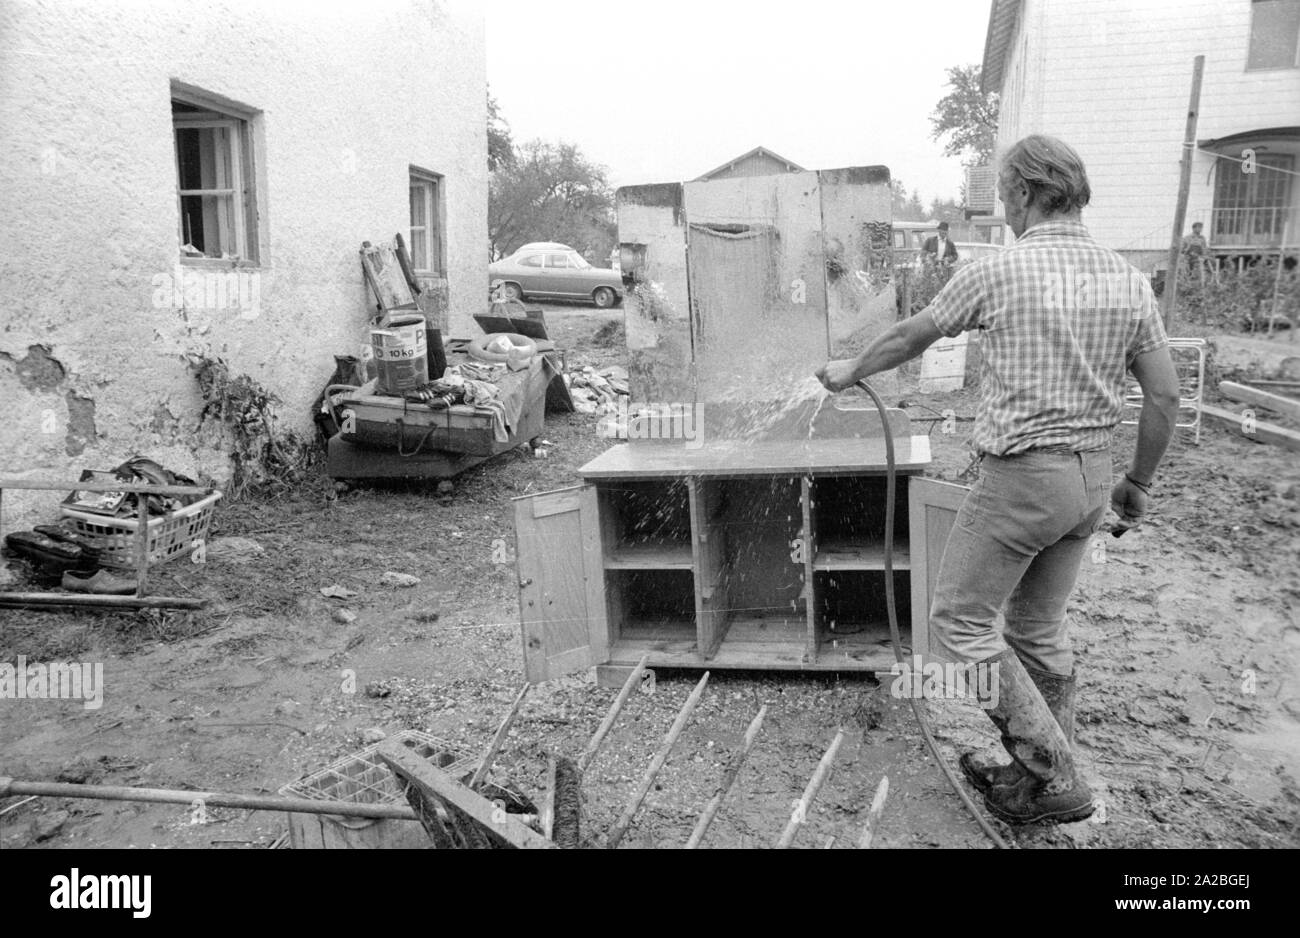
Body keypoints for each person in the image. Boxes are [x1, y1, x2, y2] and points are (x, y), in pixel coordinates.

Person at [816, 134, 1180, 826]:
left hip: (1024, 480)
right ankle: (1038, 773)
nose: (1006, 208)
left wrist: (847, 371)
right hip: (1091, 480)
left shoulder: (1002, 271)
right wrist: (1141, 482)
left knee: (958, 620)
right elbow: (1164, 398)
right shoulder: (1129, 280)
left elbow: (911, 337)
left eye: (1006, 195)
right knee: (1037, 627)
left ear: (1021, 193)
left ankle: (1051, 767)